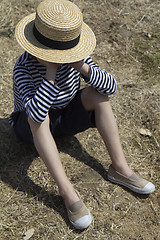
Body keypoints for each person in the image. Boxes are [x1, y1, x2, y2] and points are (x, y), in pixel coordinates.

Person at [9, 0, 155, 230]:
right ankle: (67, 191)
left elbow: (111, 88)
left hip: (65, 116)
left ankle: (119, 168)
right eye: (53, 53)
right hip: (29, 126)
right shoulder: (23, 68)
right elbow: (36, 113)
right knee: (40, 118)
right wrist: (50, 72)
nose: (59, 59)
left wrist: (82, 66)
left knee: (98, 96)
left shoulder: (75, 58)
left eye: (63, 53)